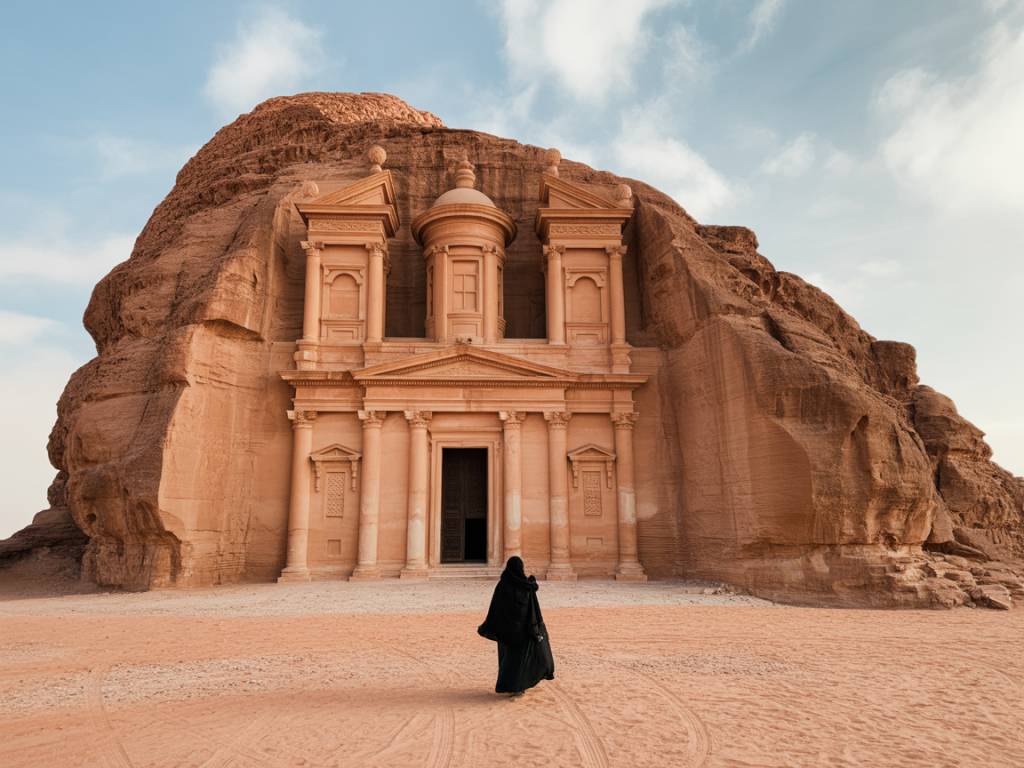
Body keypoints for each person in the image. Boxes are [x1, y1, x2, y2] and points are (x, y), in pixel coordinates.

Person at [477, 556, 555, 696]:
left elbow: (496, 609)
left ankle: (511, 686)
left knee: (508, 661)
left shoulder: (503, 585)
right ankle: (519, 686)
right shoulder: (526, 587)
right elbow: (532, 609)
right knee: (520, 661)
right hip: (523, 631)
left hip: (507, 632)